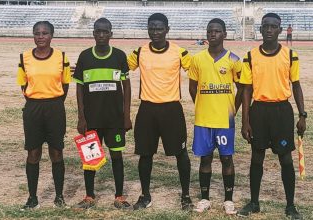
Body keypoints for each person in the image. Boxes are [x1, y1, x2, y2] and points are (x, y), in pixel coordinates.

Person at [237, 13, 306, 219]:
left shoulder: (290, 55)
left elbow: (296, 85)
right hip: (259, 110)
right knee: (257, 157)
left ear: (280, 30)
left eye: (273, 26)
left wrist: (302, 115)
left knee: (285, 159)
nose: (269, 29)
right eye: (265, 26)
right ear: (260, 29)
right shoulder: (250, 56)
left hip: (282, 111)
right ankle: (254, 202)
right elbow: (247, 89)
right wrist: (245, 121)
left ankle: (290, 205)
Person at [127, 13, 193, 211]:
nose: (155, 32)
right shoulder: (139, 52)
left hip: (172, 109)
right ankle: (145, 195)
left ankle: (186, 196)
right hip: (147, 109)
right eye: (152, 28)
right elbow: (120, 67)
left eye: (159, 28)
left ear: (167, 29)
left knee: (180, 153)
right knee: (145, 154)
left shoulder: (180, 52)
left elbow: (199, 71)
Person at [72, 18, 132, 210]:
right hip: (92, 119)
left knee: (116, 157)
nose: (101, 35)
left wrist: (126, 116)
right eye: (98, 31)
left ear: (111, 34)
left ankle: (119, 196)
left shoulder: (120, 56)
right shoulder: (85, 57)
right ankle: (89, 196)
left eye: (105, 32)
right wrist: (81, 117)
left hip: (114, 119)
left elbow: (127, 86)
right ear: (93, 34)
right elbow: (79, 88)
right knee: (90, 158)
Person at [188, 18, 242, 214]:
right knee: (205, 159)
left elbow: (242, 87)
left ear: (224, 34)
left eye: (217, 31)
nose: (212, 34)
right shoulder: (197, 59)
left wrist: (232, 108)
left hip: (224, 120)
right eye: (210, 31)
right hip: (203, 119)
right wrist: (203, 104)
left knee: (227, 159)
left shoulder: (234, 59)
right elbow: (192, 88)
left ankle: (228, 200)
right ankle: (204, 198)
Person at [17, 21, 71, 210]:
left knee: (56, 152)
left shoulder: (61, 56)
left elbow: (65, 84)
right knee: (33, 153)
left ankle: (59, 196)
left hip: (55, 107)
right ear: (33, 35)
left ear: (52, 35)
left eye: (45, 33)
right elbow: (23, 85)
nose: (40, 37)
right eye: (37, 33)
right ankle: (32, 198)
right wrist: (37, 101)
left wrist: (53, 103)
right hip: (33, 108)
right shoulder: (24, 58)